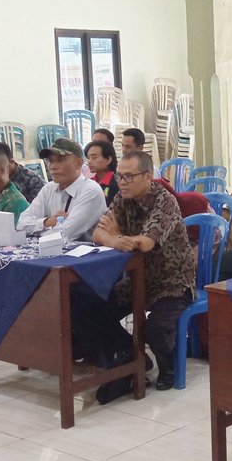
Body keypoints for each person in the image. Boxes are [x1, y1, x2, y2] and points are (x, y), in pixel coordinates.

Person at [90, 151, 196, 392]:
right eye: (119, 177)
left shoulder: (164, 201)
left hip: (172, 282)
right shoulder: (122, 199)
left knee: (155, 329)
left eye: (129, 177)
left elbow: (145, 243)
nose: (123, 183)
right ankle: (133, 357)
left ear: (148, 177)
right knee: (95, 310)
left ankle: (168, 368)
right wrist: (116, 239)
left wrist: (116, 236)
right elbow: (98, 234)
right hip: (136, 280)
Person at [17, 138, 106, 241]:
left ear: (78, 163)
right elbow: (21, 225)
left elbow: (64, 234)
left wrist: (37, 228)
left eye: (60, 160)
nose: (53, 167)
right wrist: (47, 222)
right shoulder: (49, 189)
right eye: (50, 161)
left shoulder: (91, 191)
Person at [83, 139, 119, 206]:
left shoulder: (117, 184)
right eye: (88, 157)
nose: (89, 161)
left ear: (108, 160)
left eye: (94, 157)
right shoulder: (88, 182)